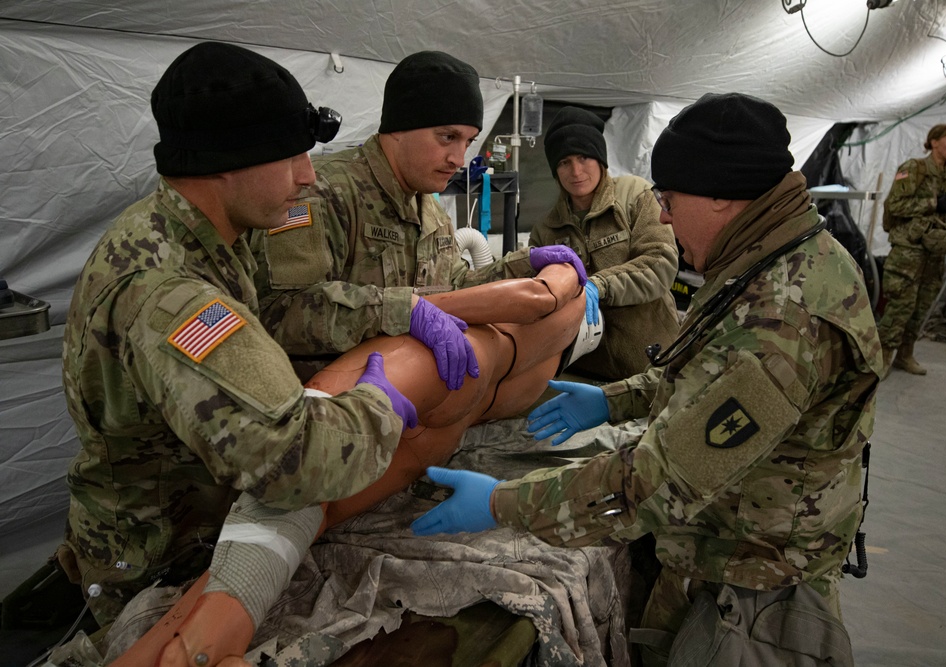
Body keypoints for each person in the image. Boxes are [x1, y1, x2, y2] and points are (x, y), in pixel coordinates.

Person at [411, 92, 884, 666]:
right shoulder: (769, 260)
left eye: (671, 197)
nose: (662, 214)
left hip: (748, 588)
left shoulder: (784, 316)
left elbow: (656, 484)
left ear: (720, 194)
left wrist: (503, 505)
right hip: (724, 547)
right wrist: (613, 402)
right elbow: (703, 377)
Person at [52, 42, 417, 627]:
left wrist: (400, 310)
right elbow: (291, 463)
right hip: (161, 570)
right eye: (289, 156)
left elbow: (276, 310)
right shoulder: (165, 293)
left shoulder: (210, 236)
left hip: (202, 527)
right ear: (222, 163)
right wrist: (381, 405)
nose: (307, 177)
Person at [106, 262, 587, 666]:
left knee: (295, 503)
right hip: (450, 423)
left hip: (425, 369)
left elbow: (538, 296)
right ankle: (192, 648)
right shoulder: (541, 369)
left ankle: (185, 648)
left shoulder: (568, 297)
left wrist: (422, 309)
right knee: (306, 517)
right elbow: (535, 301)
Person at [250, 50, 587, 388]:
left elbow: (453, 286)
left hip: (410, 398)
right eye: (448, 137)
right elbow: (280, 313)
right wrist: (401, 311)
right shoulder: (323, 193)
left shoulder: (428, 207)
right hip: (328, 406)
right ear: (399, 128)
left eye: (468, 141)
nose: (458, 158)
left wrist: (521, 266)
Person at [531, 105, 680, 381]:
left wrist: (598, 286)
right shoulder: (546, 230)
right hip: (582, 372)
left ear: (600, 159)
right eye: (564, 162)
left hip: (652, 366)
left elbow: (660, 264)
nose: (576, 171)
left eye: (584, 157)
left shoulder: (636, 196)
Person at [878, 124, 946, 375]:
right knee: (900, 305)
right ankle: (883, 355)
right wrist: (933, 203)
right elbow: (895, 205)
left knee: (921, 306)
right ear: (934, 142)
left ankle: (905, 355)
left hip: (934, 251)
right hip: (909, 250)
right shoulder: (914, 169)